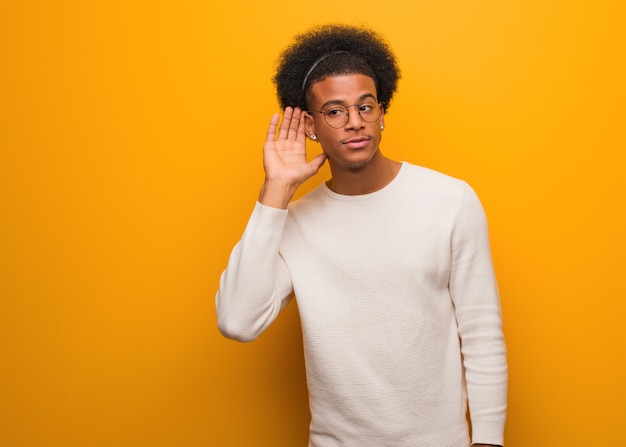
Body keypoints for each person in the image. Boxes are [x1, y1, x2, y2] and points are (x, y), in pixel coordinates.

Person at [215, 24, 507, 447]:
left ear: (382, 112)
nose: (354, 123)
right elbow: (238, 321)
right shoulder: (293, 222)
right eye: (334, 111)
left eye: (365, 107)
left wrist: (489, 440)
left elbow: (481, 330)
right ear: (311, 126)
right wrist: (275, 190)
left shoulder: (450, 200)